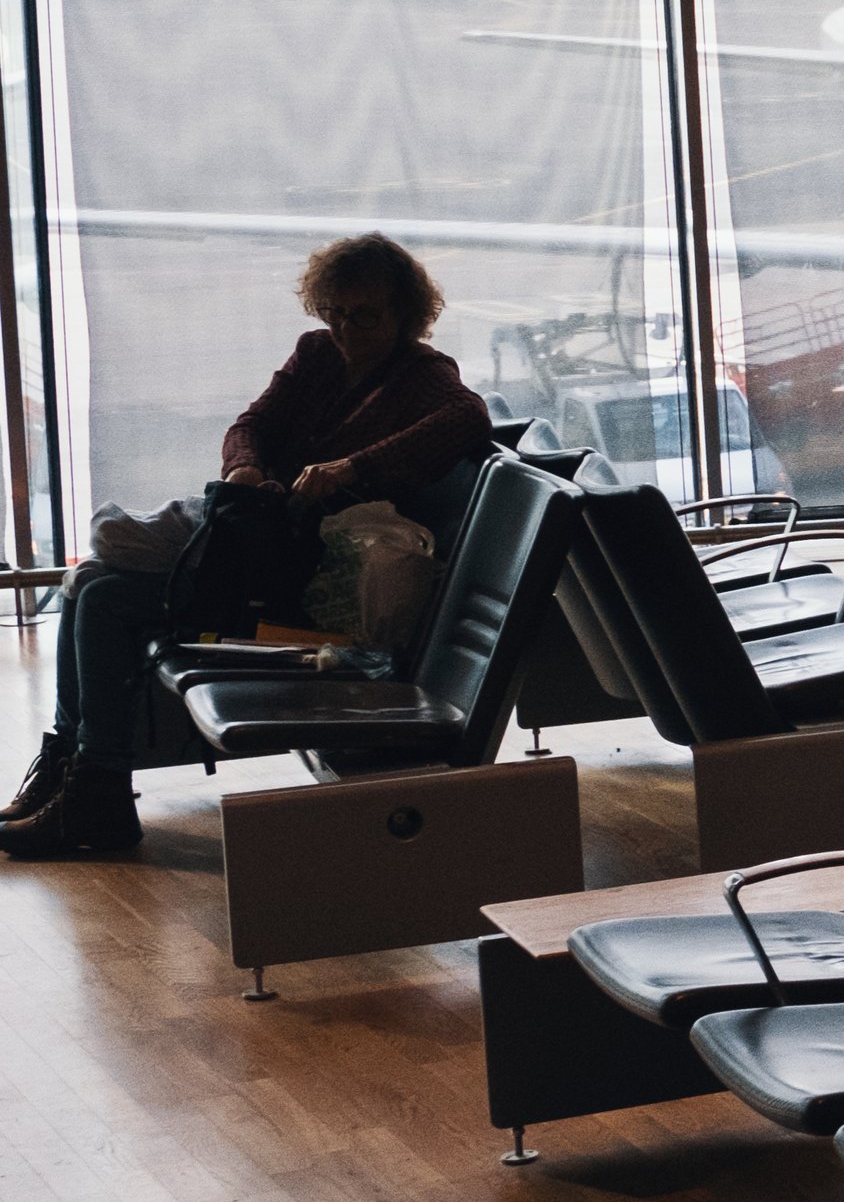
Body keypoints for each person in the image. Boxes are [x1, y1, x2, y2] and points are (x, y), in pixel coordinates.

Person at [6, 234, 492, 861]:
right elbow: (250, 425)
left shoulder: (424, 377)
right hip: (264, 551)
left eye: (364, 315)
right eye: (336, 312)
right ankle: (77, 774)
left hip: (302, 585)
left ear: (405, 317)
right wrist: (244, 468)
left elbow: (469, 419)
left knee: (100, 591)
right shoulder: (317, 355)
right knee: (91, 581)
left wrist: (350, 468)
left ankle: (91, 787)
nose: (345, 329)